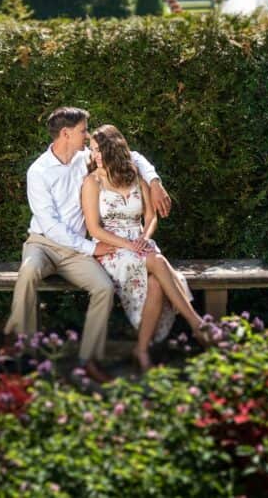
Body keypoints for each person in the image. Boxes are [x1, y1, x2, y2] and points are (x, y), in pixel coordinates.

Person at [4, 107, 171, 383]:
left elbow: (132, 157)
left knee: (103, 288)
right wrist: (91, 248)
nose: (87, 135)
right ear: (66, 133)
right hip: (43, 244)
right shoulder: (39, 171)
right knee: (29, 269)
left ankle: (87, 360)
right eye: (83, 130)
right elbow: (50, 226)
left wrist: (154, 181)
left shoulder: (85, 159)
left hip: (76, 250)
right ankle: (22, 346)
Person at [81, 124, 206, 372]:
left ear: (113, 149)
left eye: (99, 150)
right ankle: (197, 325)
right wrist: (129, 244)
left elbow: (151, 217)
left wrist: (145, 238)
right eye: (92, 150)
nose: (94, 155)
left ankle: (141, 350)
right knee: (157, 261)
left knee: (158, 283)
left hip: (141, 242)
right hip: (112, 248)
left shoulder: (136, 175)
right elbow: (94, 229)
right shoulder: (92, 182)